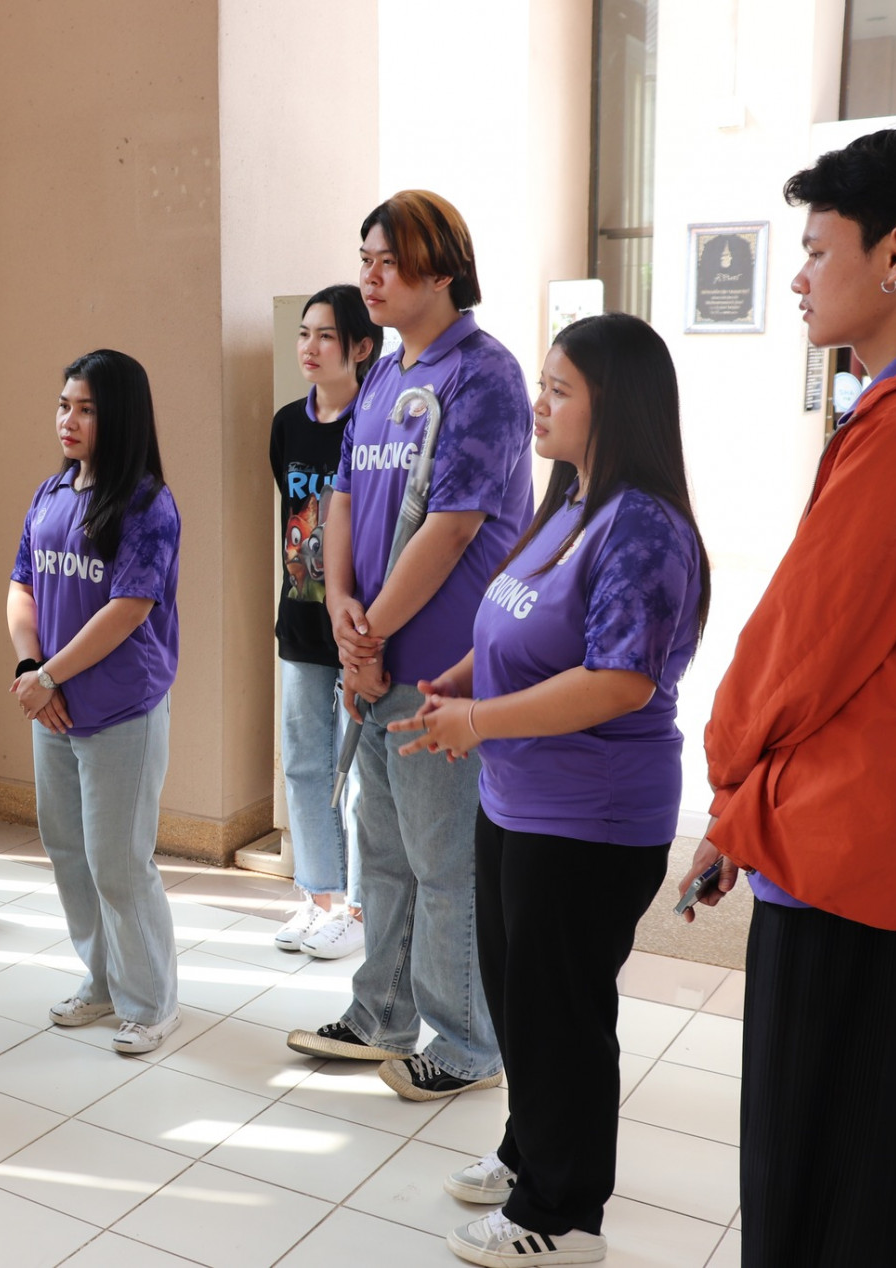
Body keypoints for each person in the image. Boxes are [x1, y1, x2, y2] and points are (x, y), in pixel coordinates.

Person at [681, 128, 896, 1267]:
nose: (799, 274)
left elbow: (800, 651)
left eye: (817, 248)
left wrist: (729, 778)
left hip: (834, 852)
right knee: (864, 1165)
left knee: (802, 1179)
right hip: (894, 850)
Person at [394, 313, 710, 1265]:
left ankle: (562, 1215)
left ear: (613, 405)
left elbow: (619, 680)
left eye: (557, 388)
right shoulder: (569, 501)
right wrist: (463, 677)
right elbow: (520, 624)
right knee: (518, 996)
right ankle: (528, 1149)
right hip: (518, 802)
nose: (537, 402)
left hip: (591, 818)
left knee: (562, 1012)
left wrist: (479, 720)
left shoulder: (643, 526)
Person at [285, 190, 532, 1103]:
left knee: (443, 861)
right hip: (375, 655)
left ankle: (466, 1041)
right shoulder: (386, 375)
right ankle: (380, 1013)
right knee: (380, 850)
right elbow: (344, 495)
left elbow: (457, 526)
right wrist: (344, 607)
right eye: (364, 258)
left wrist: (372, 631)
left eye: (387, 260)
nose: (369, 276)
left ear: (441, 267)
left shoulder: (484, 377)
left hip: (444, 672)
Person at [6, 349, 183, 1055]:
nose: (68, 420)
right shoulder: (49, 497)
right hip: (52, 706)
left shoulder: (147, 503)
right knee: (68, 849)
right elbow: (21, 586)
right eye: (62, 405)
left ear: (119, 416)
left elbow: (129, 608)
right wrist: (31, 668)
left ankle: (152, 1002)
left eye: (85, 408)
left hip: (118, 710)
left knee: (118, 859)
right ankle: (104, 983)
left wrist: (49, 675)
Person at [270, 284, 382, 959]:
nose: (308, 347)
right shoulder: (286, 422)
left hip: (360, 624)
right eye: (303, 334)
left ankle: (359, 907)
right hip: (299, 620)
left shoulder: (374, 424)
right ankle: (317, 898)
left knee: (362, 774)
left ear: (360, 348)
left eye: (325, 337)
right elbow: (290, 514)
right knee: (304, 766)